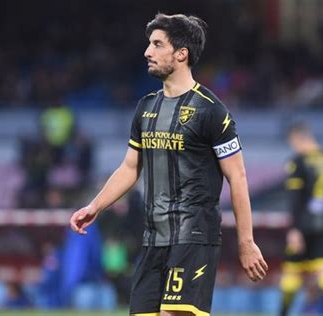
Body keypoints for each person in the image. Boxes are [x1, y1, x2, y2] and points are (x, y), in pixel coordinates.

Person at [70, 13, 267, 315]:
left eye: (157, 44)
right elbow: (129, 168)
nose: (147, 52)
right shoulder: (146, 107)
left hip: (194, 237)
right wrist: (94, 206)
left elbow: (237, 177)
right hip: (153, 239)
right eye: (150, 44)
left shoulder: (211, 111)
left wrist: (246, 242)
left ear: (181, 54)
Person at [279, 122, 323, 316]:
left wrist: (294, 229)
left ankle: (282, 313)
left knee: (291, 275)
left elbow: (295, 198)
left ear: (298, 138)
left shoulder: (298, 161)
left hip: (303, 225)